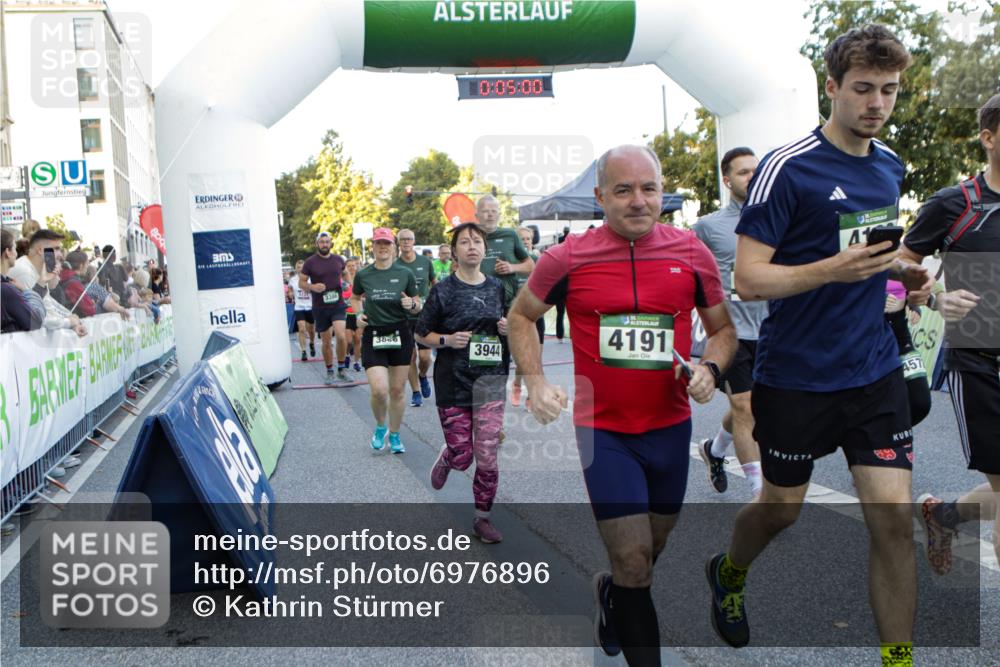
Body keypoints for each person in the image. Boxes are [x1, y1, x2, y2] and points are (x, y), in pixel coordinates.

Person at [707, 26, 931, 666]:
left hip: (873, 371)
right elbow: (749, 279)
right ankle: (728, 571)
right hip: (797, 376)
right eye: (863, 88)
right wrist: (834, 270)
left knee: (893, 522)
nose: (877, 103)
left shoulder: (888, 165)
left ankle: (898, 661)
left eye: (889, 90)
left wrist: (901, 272)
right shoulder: (787, 168)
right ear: (831, 87)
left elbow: (873, 251)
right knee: (781, 511)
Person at [509, 144, 736, 665]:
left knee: (648, 553)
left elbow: (723, 330)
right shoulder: (567, 257)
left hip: (670, 428)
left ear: (662, 192)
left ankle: (612, 594)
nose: (638, 200)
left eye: (649, 188)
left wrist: (710, 368)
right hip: (604, 432)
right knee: (634, 561)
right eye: (623, 190)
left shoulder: (691, 252)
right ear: (600, 196)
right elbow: (522, 315)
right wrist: (536, 381)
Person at [901, 92, 1000, 577]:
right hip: (980, 363)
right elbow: (899, 268)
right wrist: (936, 298)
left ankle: (943, 515)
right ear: (988, 138)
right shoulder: (955, 204)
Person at [416, 222, 509, 542]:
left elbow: (509, 323)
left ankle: (483, 518)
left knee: (487, 455)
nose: (472, 246)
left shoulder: (497, 287)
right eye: (465, 242)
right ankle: (449, 456)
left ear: (485, 249)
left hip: (490, 381)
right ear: (454, 252)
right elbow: (421, 333)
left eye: (477, 241)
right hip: (453, 382)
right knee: (463, 456)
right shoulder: (443, 290)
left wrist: (507, 328)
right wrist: (446, 340)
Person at [692, 147, 767, 500]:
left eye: (756, 171)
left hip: (771, 329)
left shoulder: (777, 218)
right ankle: (759, 493)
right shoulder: (708, 226)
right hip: (731, 331)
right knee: (744, 406)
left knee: (758, 408)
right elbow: (681, 264)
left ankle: (714, 449)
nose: (752, 177)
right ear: (727, 180)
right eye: (743, 172)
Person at [350, 227, 420, 453]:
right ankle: (381, 426)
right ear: (372, 246)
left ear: (393, 247)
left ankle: (395, 434)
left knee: (397, 390)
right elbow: (354, 297)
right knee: (379, 390)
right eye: (378, 243)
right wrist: (358, 314)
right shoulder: (363, 275)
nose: (382, 247)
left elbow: (417, 304)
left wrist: (412, 305)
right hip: (374, 334)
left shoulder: (405, 273)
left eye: (387, 243)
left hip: (400, 333)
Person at [300, 231, 351, 385]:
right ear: (317, 244)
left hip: (338, 304)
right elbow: (301, 283)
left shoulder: (338, 259)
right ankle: (329, 371)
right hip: (320, 306)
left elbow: (346, 273)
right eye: (322, 242)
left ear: (331, 243)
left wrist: (348, 284)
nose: (324, 244)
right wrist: (312, 287)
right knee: (326, 341)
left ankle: (341, 369)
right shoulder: (310, 262)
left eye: (327, 242)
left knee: (341, 336)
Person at [395, 229, 436, 406]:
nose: (406, 242)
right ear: (398, 243)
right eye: (402, 239)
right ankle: (416, 392)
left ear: (413, 241)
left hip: (424, 316)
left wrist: (436, 302)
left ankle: (423, 375)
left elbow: (434, 283)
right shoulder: (394, 265)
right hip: (403, 317)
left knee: (425, 357)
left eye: (409, 239)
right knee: (410, 356)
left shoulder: (425, 262)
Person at [476, 195, 534, 310]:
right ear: (477, 215)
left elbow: (531, 266)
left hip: (507, 305)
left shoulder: (510, 235)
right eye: (485, 211)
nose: (490, 214)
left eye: (494, 211)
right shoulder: (470, 236)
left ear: (499, 215)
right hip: (479, 304)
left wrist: (511, 267)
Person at [510, 226, 542, 408]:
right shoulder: (512, 262)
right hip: (519, 316)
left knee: (536, 358)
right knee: (523, 359)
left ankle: (531, 395)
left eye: (528, 239)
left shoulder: (538, 260)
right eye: (521, 239)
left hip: (537, 314)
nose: (525, 242)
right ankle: (517, 384)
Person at [1, 229, 42, 333]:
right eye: (15, 248)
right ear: (8, 252)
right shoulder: (5, 290)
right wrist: (28, 292)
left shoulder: (7, 285)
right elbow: (36, 321)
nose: (16, 254)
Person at [290, 259, 317, 361]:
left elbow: (316, 290)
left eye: (302, 267)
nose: (300, 269)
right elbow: (290, 289)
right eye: (298, 267)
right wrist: (290, 293)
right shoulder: (293, 280)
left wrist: (310, 290)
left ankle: (312, 343)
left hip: (310, 307)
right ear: (296, 269)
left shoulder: (311, 279)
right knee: (301, 328)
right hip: (299, 307)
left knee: (311, 330)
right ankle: (303, 351)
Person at [344, 256, 363, 372]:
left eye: (353, 266)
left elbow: (365, 295)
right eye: (348, 266)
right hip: (346, 315)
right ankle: (347, 355)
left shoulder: (360, 280)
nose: (351, 268)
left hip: (358, 314)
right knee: (349, 341)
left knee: (357, 339)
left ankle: (356, 362)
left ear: (356, 267)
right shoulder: (342, 282)